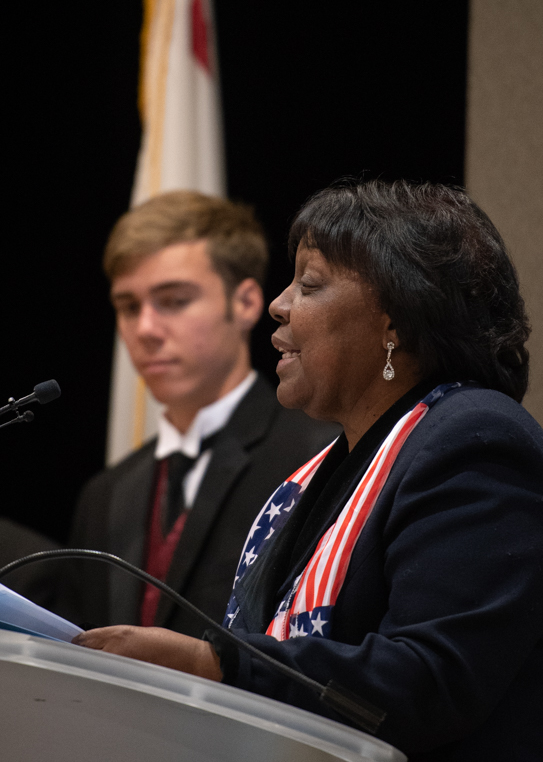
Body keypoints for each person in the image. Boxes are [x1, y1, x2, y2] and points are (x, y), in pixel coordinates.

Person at [73, 181, 543, 760]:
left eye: (310, 284)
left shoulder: (478, 443)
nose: (279, 304)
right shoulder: (332, 470)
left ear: (396, 319)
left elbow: (429, 682)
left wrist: (213, 663)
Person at [63, 190, 338, 634]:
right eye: (129, 307)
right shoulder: (104, 495)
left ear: (246, 303)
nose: (146, 329)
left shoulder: (318, 455)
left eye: (174, 300)